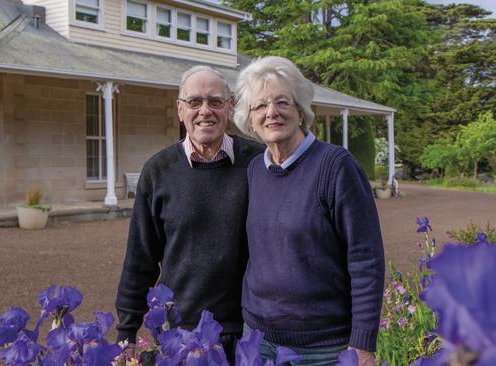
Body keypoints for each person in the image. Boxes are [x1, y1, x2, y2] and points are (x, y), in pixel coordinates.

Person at [233, 56, 385, 366]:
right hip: (259, 341)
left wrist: (362, 344)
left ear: (301, 110)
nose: (271, 113)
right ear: (250, 119)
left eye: (282, 102)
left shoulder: (336, 167)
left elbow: (365, 258)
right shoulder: (254, 172)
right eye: (260, 106)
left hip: (323, 348)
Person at [115, 65, 263, 361]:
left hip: (249, 332)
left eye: (215, 101)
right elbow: (140, 258)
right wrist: (127, 332)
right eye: (195, 102)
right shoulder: (158, 172)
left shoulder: (258, 164)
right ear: (180, 110)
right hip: (182, 336)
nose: (205, 111)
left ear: (230, 107)